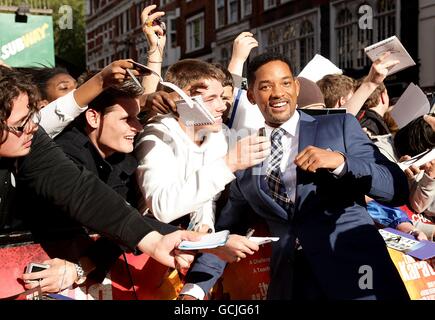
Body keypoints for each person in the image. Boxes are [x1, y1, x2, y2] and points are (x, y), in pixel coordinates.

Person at [179, 52, 410, 300]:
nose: (278, 93)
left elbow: (396, 188)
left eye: (285, 83)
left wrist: (342, 164)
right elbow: (227, 231)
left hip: (361, 280)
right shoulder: (244, 154)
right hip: (292, 287)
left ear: (296, 87)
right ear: (251, 95)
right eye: (266, 86)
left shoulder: (339, 127)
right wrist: (194, 290)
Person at [0, 67, 200, 293]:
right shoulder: (72, 147)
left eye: (33, 116)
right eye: (20, 124)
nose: (33, 127)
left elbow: (81, 191)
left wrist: (153, 241)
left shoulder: (31, 141)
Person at [134, 59, 268, 249]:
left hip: (191, 249)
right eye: (211, 99)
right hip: (146, 252)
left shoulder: (220, 135)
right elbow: (162, 207)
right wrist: (228, 164)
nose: (222, 106)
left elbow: (206, 197)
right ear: (183, 101)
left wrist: (206, 231)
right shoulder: (157, 136)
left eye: (222, 97)